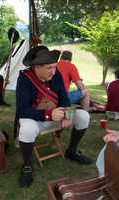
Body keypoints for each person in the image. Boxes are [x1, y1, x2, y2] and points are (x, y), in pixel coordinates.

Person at [16, 46, 92, 188]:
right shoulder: (24, 79)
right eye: (49, 68)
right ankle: (27, 166)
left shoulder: (55, 75)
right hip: (35, 119)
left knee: (83, 116)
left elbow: (64, 98)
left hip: (58, 116)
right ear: (36, 67)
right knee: (26, 130)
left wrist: (68, 115)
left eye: (55, 67)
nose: (54, 71)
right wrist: (48, 114)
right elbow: (22, 110)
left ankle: (72, 151)